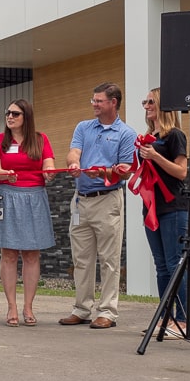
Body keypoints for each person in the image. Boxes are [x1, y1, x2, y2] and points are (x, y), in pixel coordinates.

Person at [60, 82, 137, 329]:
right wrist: (74, 163)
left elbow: (125, 170)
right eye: (93, 100)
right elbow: (74, 152)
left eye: (99, 101)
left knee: (109, 259)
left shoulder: (127, 133)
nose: (94, 104)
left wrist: (102, 172)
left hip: (108, 200)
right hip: (81, 199)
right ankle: (82, 309)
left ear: (113, 103)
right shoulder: (83, 127)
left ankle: (107, 312)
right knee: (81, 259)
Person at [0, 99, 56, 327]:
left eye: (15, 113)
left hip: (34, 197)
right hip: (7, 195)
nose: (10, 117)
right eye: (7, 113)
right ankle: (11, 306)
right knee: (8, 253)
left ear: (26, 116)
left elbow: (49, 164)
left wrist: (49, 173)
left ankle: (28, 306)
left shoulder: (40, 139)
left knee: (31, 254)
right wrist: (6, 173)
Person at [139, 88, 188, 338]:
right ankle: (165, 316)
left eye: (150, 101)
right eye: (145, 101)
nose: (146, 105)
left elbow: (181, 172)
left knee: (174, 263)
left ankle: (181, 319)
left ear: (162, 105)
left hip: (172, 208)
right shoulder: (148, 138)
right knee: (161, 266)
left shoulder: (174, 136)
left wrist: (156, 157)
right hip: (151, 208)